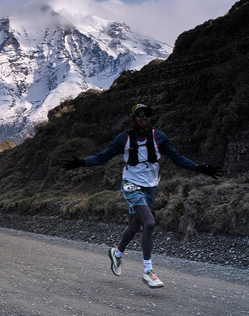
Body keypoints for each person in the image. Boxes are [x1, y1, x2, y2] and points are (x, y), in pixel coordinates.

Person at [62, 103, 222, 289]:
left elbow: (177, 158)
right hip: (130, 184)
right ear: (134, 117)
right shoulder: (123, 139)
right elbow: (102, 157)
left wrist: (200, 168)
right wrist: (81, 163)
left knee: (135, 225)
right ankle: (148, 271)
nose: (144, 117)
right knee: (150, 222)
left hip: (150, 187)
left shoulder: (159, 137)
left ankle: (117, 253)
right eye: (140, 114)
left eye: (147, 114)